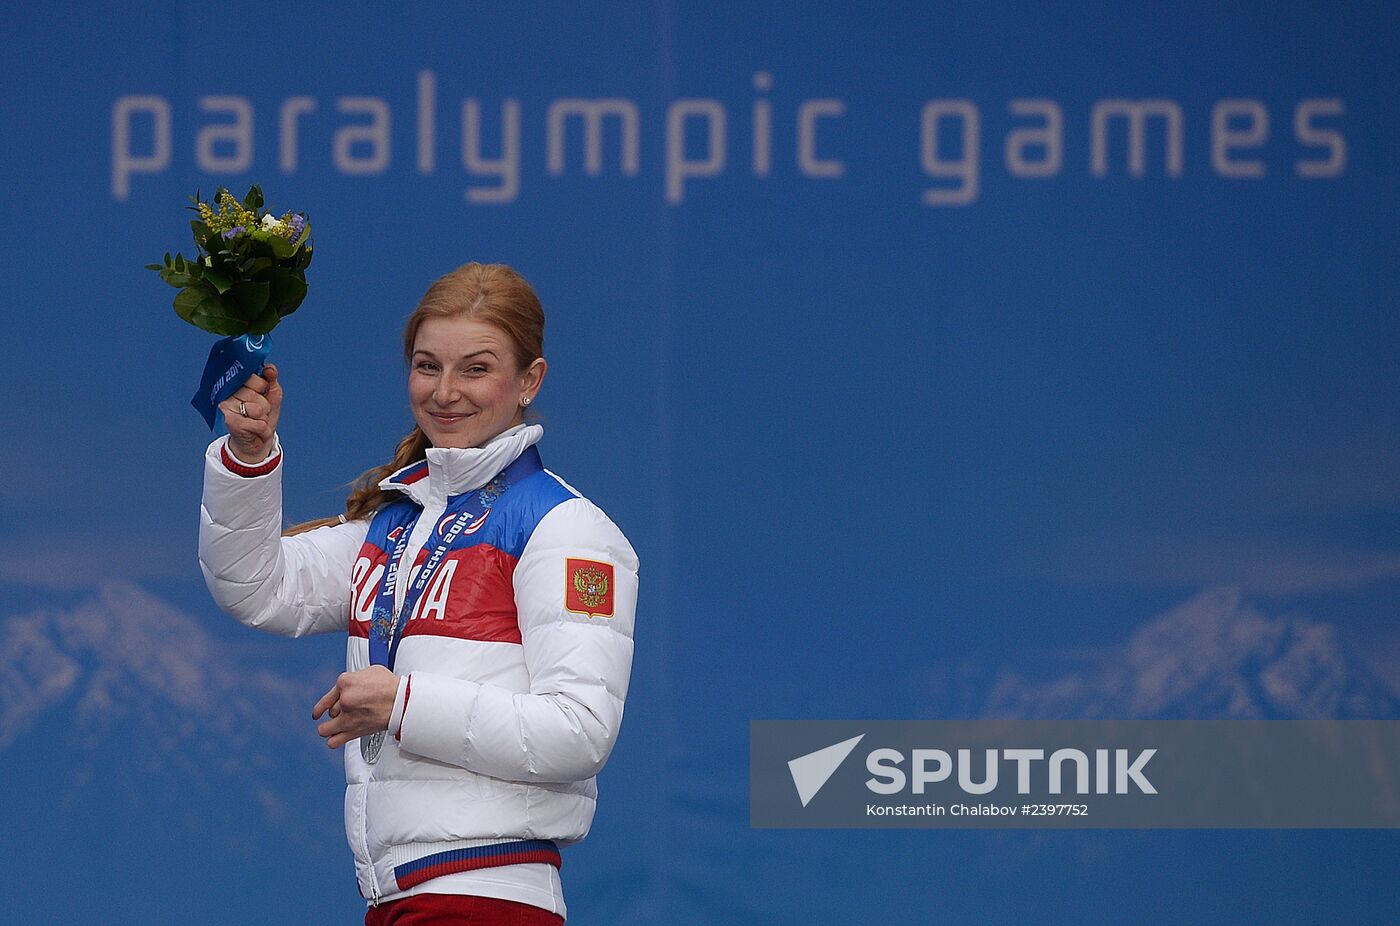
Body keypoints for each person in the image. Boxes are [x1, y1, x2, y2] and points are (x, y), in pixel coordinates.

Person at [197, 262, 638, 925]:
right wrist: (249, 455)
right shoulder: (393, 522)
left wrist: (401, 703)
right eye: (428, 366)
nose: (446, 392)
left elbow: (579, 733)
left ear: (529, 381)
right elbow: (258, 588)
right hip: (401, 899)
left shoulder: (564, 529)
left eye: (476, 368)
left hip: (485, 900)